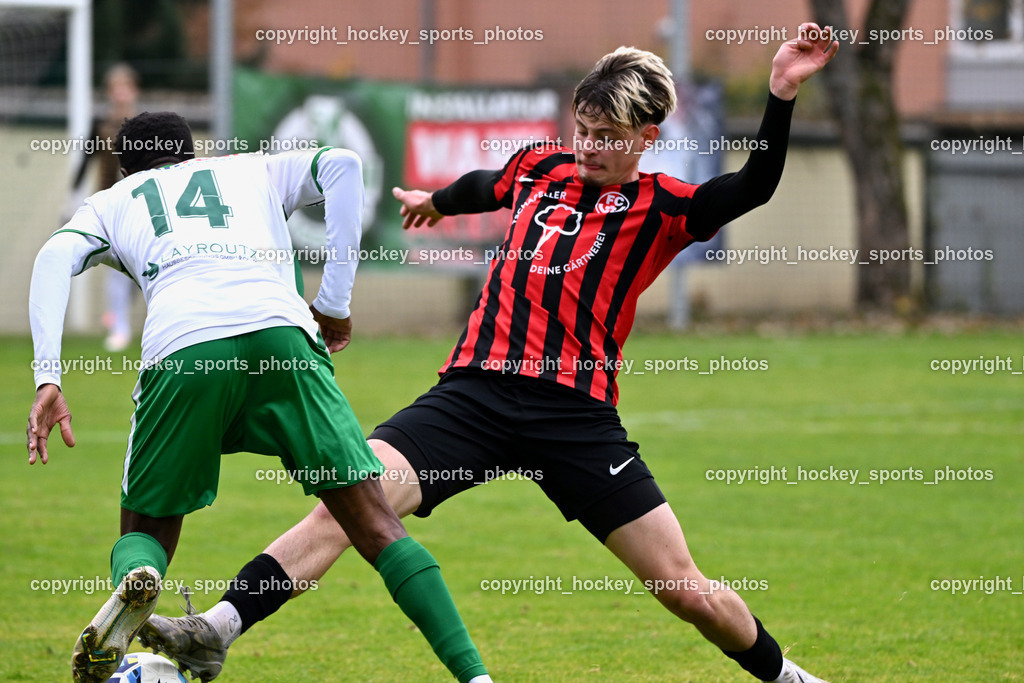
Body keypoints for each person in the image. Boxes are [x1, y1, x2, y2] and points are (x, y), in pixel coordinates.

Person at [141, 25, 839, 683]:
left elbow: (756, 185)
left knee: (682, 588)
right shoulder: (542, 167)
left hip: (575, 416)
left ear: (646, 138)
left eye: (607, 137)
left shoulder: (667, 208)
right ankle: (216, 629)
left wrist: (780, 91)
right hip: (471, 396)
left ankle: (785, 674)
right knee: (348, 504)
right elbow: (488, 185)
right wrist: (436, 202)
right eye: (583, 131)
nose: (589, 147)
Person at [26, 112, 492, 683]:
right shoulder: (251, 169)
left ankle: (140, 575)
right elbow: (345, 166)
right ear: (192, 155)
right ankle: (474, 676)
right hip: (284, 341)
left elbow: (53, 257)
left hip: (187, 349)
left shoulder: (112, 200)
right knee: (374, 522)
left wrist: (49, 375)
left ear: (125, 167)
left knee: (144, 529)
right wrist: (337, 301)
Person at [67, 63, 142, 352]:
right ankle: (120, 326)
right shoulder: (100, 124)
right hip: (112, 204)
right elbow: (85, 162)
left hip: (142, 203)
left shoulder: (146, 124)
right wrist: (71, 200)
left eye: (126, 85)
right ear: (109, 93)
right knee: (117, 265)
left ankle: (119, 314)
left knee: (140, 267)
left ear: (135, 90)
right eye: (116, 87)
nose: (121, 92)